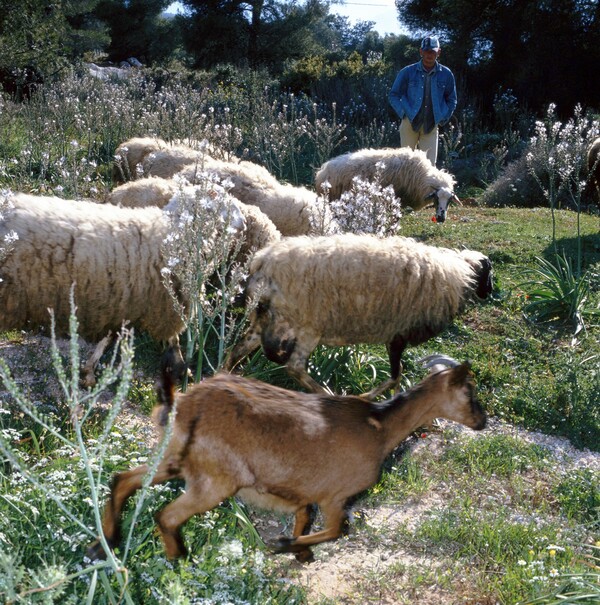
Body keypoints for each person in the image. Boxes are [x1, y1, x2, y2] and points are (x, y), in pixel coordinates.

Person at [389, 36, 457, 165]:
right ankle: (406, 186)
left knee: (429, 166)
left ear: (438, 52)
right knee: (405, 164)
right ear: (421, 51)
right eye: (426, 51)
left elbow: (452, 100)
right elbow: (394, 95)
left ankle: (424, 187)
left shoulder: (446, 74)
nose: (429, 55)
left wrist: (443, 118)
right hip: (409, 123)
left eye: (432, 51)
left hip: (431, 125)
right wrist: (403, 114)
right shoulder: (407, 72)